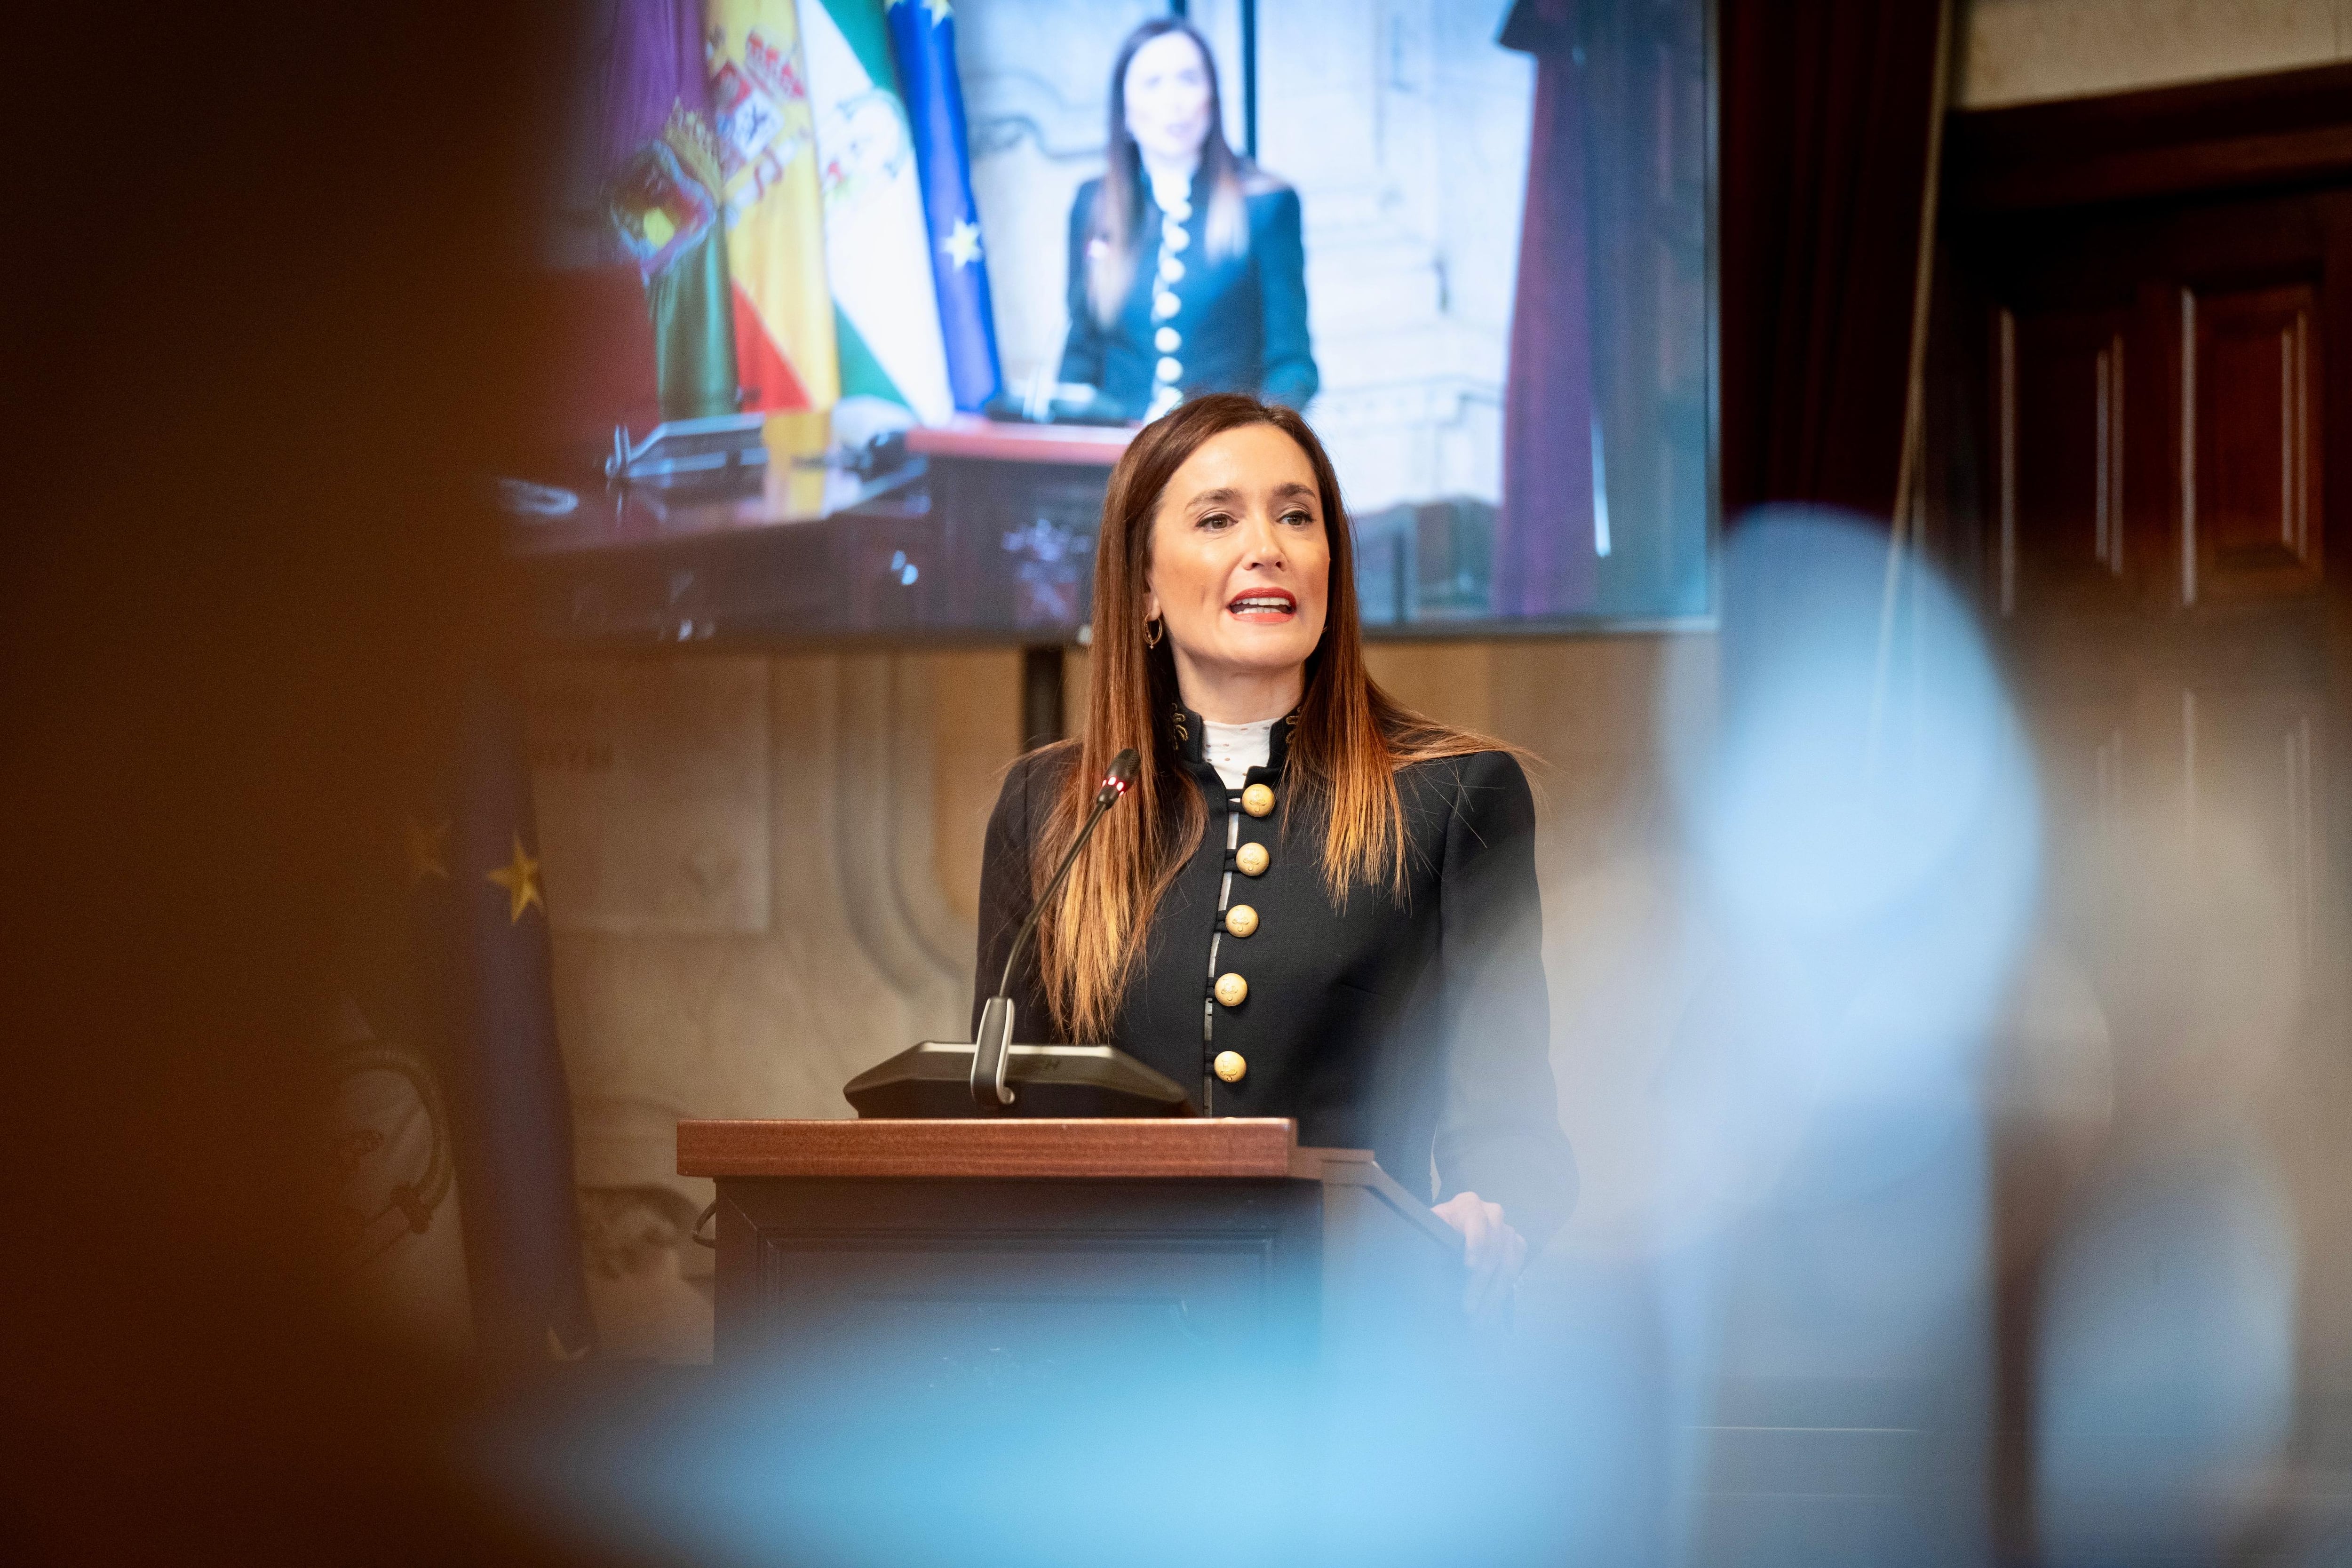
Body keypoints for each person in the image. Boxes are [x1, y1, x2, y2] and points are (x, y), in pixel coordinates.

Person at [974, 394, 1574, 1312]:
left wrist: (1489, 1214)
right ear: (1142, 584)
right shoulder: (1051, 808)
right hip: (1102, 1359)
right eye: (1218, 518)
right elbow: (993, 1123)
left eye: (1297, 515)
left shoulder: (1457, 795)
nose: (1269, 545)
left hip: (1351, 1337)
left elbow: (1512, 1128)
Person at [1057, 19, 1318, 424]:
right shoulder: (1094, 205)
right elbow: (1080, 358)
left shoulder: (1266, 206)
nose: (1173, 100)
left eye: (1188, 79)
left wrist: (1248, 442)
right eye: (1153, 83)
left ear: (1211, 100)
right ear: (1124, 110)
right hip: (1116, 463)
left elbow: (1293, 366)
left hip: (1224, 462)